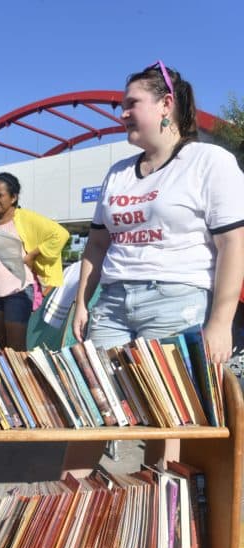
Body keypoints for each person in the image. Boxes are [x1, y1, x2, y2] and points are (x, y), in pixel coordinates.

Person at [63, 60, 244, 475]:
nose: (122, 112)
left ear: (165, 105)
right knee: (92, 404)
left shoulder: (208, 161)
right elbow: (96, 243)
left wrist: (221, 322)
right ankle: (69, 502)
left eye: (131, 103)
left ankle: (161, 517)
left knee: (166, 419)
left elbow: (233, 242)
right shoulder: (117, 174)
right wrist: (82, 303)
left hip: (176, 299)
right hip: (112, 302)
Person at [0, 172, 69, 351]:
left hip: (18, 291)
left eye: (0, 194)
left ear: (13, 197)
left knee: (16, 347)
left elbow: (61, 234)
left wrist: (32, 255)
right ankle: (4, 378)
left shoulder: (24, 218)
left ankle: (20, 378)